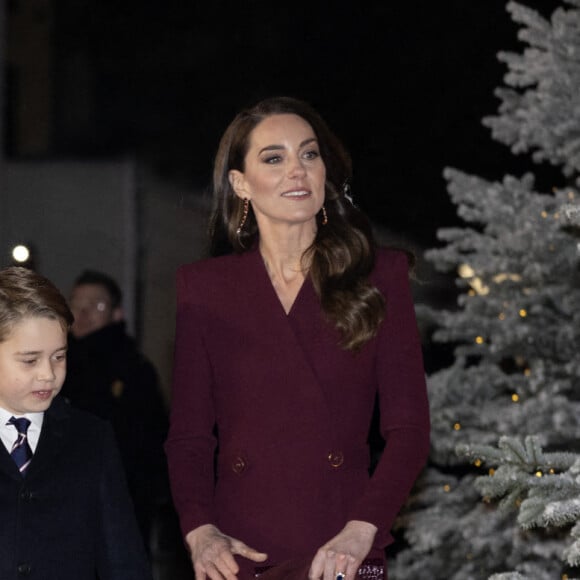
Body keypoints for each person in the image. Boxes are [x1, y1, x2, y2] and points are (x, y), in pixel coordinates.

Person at [164, 96, 431, 580]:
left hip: (341, 547)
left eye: (309, 154)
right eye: (274, 158)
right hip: (239, 550)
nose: (297, 170)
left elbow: (409, 431)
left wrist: (363, 528)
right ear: (241, 184)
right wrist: (200, 531)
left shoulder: (379, 276)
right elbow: (188, 437)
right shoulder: (204, 289)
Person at [0, 265, 153, 580]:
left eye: (59, 356)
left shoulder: (91, 438)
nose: (48, 374)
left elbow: (123, 559)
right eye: (30, 360)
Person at [60, 269, 171, 553]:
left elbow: (150, 437)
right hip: (62, 500)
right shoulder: (53, 365)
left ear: (117, 313)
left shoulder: (134, 370)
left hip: (122, 500)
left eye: (96, 306)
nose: (83, 313)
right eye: (76, 304)